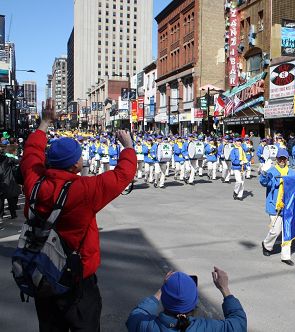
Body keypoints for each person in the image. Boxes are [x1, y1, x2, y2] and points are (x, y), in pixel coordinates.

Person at [20, 107, 137, 331]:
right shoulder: (83, 190)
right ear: (75, 165)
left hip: (41, 272)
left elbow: (31, 153)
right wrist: (129, 147)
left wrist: (44, 123)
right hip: (77, 278)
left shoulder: (33, 181)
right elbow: (123, 174)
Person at [126, 268, 247, 332]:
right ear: (194, 303)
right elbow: (239, 324)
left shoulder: (144, 326)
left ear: (164, 299)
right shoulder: (208, 328)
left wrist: (164, 288)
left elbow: (137, 314)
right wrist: (224, 289)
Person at [260, 148, 295, 266]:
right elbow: (264, 183)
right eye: (280, 158)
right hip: (274, 206)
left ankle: (286, 256)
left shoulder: (291, 172)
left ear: (287, 159)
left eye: (284, 158)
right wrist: (264, 173)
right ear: (277, 158)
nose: (282, 160)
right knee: (275, 231)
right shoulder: (272, 170)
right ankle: (267, 245)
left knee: (287, 232)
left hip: (287, 206)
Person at [0, 144, 21, 219]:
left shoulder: (7, 158)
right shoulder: (7, 159)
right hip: (7, 180)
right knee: (11, 198)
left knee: (1, 199)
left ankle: (1, 214)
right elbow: (18, 161)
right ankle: (13, 214)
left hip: (2, 181)